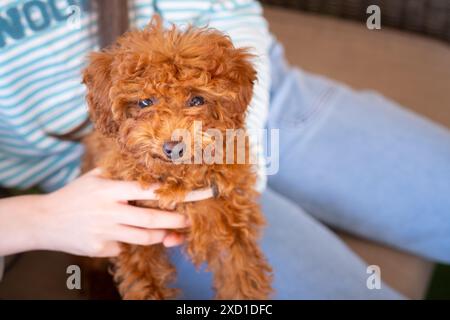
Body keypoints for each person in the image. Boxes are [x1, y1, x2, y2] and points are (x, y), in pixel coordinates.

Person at [0, 0, 449, 299]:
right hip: (115, 181)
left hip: (262, 102)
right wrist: (33, 219)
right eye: (145, 100)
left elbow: (222, 8)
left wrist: (232, 141)